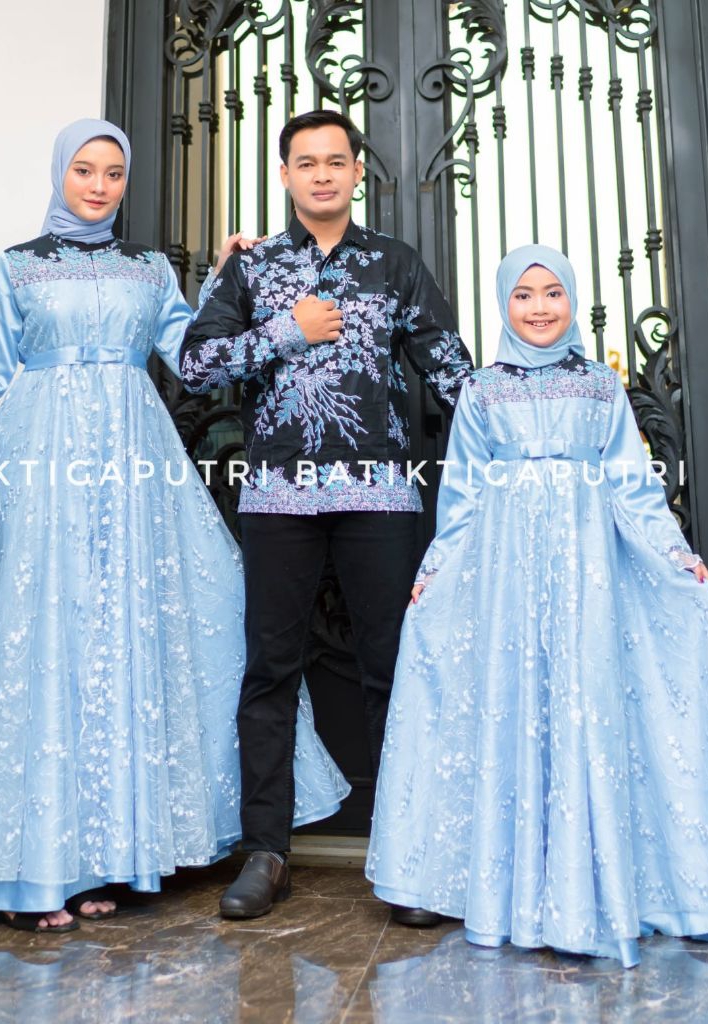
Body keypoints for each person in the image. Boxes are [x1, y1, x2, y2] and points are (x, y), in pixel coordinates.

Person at [0, 119, 348, 932]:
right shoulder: (18, 266)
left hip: (134, 469)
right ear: (60, 175)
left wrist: (241, 297)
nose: (99, 185)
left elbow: (193, 358)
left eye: (113, 172)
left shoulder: (149, 269)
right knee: (44, 639)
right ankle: (31, 869)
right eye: (84, 170)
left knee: (120, 638)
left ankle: (108, 857)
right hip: (39, 465)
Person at [366, 244, 708, 963]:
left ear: (571, 300)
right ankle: (484, 881)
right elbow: (461, 495)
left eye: (553, 293)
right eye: (524, 295)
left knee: (587, 697)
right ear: (504, 305)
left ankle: (612, 884)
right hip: (503, 574)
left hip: (590, 572)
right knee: (508, 698)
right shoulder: (481, 391)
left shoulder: (599, 385)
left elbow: (633, 483)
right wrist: (436, 568)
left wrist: (674, 553)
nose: (539, 308)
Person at [180, 109, 474, 920]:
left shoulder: (394, 264)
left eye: (334, 161)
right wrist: (287, 329)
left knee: (393, 668)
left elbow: (451, 369)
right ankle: (265, 852)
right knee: (270, 670)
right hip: (279, 494)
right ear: (284, 175)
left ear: (355, 173)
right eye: (305, 162)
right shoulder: (252, 268)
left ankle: (408, 857)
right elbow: (197, 364)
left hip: (378, 492)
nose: (320, 174)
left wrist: (537, 426)